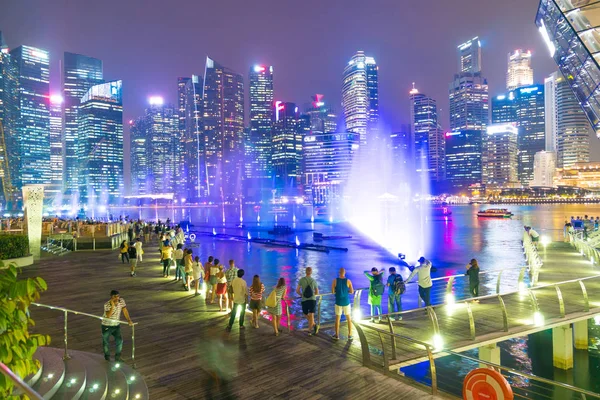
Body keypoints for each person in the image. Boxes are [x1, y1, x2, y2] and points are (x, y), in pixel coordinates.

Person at [102, 290, 133, 362]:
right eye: (114, 297)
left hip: (116, 325)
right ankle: (107, 357)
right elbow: (108, 316)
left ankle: (117, 357)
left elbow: (125, 310)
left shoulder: (121, 301)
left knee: (119, 341)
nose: (117, 298)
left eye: (118, 296)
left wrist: (129, 320)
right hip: (106, 325)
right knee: (106, 342)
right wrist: (112, 306)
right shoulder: (107, 304)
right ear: (111, 297)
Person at [331, 268, 354, 341]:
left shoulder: (335, 281)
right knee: (349, 319)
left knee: (337, 319)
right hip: (346, 302)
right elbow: (352, 291)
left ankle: (337, 335)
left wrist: (337, 291)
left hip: (338, 301)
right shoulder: (348, 281)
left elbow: (332, 291)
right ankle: (350, 335)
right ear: (345, 273)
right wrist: (346, 291)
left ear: (339, 272)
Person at [297, 267, 319, 335]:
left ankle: (310, 330)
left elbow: (297, 290)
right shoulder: (314, 280)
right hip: (312, 300)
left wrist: (301, 294)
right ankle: (314, 325)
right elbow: (317, 292)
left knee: (305, 314)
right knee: (311, 315)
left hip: (304, 300)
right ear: (311, 272)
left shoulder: (301, 280)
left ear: (305, 272)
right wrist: (313, 295)